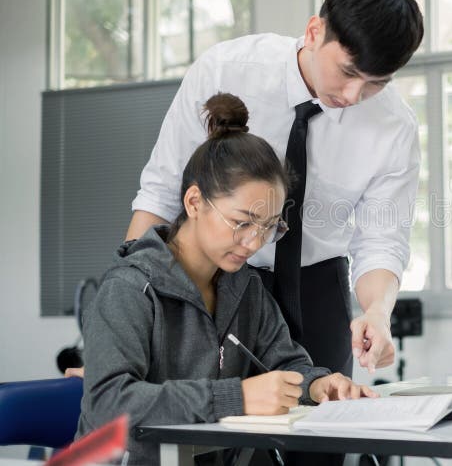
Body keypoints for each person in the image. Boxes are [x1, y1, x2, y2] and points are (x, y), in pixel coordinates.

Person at [126, 0, 424, 384]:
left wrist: (376, 312)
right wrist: (121, 328)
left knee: (323, 424)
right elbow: (161, 195)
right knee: (210, 427)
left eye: (376, 83)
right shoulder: (225, 71)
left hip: (317, 285)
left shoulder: (394, 126)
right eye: (349, 71)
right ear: (314, 31)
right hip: (212, 277)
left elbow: (381, 241)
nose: (354, 96)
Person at [76, 93, 377, 466]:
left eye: (268, 227)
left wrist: (318, 385)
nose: (253, 243)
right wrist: (238, 398)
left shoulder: (244, 287)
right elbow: (109, 405)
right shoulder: (129, 288)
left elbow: (284, 363)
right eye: (242, 222)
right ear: (194, 202)